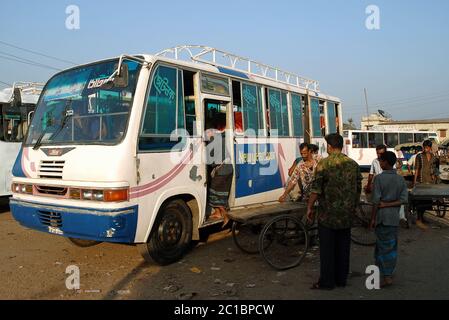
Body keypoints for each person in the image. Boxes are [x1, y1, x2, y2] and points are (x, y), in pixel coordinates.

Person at [307, 133, 362, 290]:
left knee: (327, 250)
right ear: (341, 146)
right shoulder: (352, 164)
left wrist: (309, 207)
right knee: (343, 248)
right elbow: (358, 188)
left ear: (329, 147)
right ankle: (341, 279)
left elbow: (316, 189)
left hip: (327, 216)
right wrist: (353, 206)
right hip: (346, 215)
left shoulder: (324, 164)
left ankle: (327, 282)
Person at [370, 151, 408, 288]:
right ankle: (388, 274)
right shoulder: (400, 179)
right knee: (391, 247)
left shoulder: (379, 179)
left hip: (382, 218)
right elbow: (404, 200)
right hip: (393, 219)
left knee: (382, 248)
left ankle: (386, 276)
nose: (380, 163)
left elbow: (376, 201)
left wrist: (373, 218)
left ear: (385, 162)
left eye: (381, 161)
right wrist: (391, 204)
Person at [207, 120, 233, 227]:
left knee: (214, 191)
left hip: (223, 170)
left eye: (207, 132)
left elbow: (212, 160)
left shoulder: (214, 141)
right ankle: (218, 213)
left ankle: (225, 215)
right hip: (226, 169)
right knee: (217, 192)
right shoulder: (219, 138)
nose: (206, 134)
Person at [414, 139, 439, 229]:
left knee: (427, 201)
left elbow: (435, 169)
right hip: (421, 180)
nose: (426, 149)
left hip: (430, 182)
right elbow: (416, 169)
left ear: (430, 148)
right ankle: (419, 218)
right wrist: (414, 182)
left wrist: (435, 178)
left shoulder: (433, 157)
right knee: (421, 201)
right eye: (424, 148)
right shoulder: (419, 156)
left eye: (427, 148)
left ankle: (422, 217)